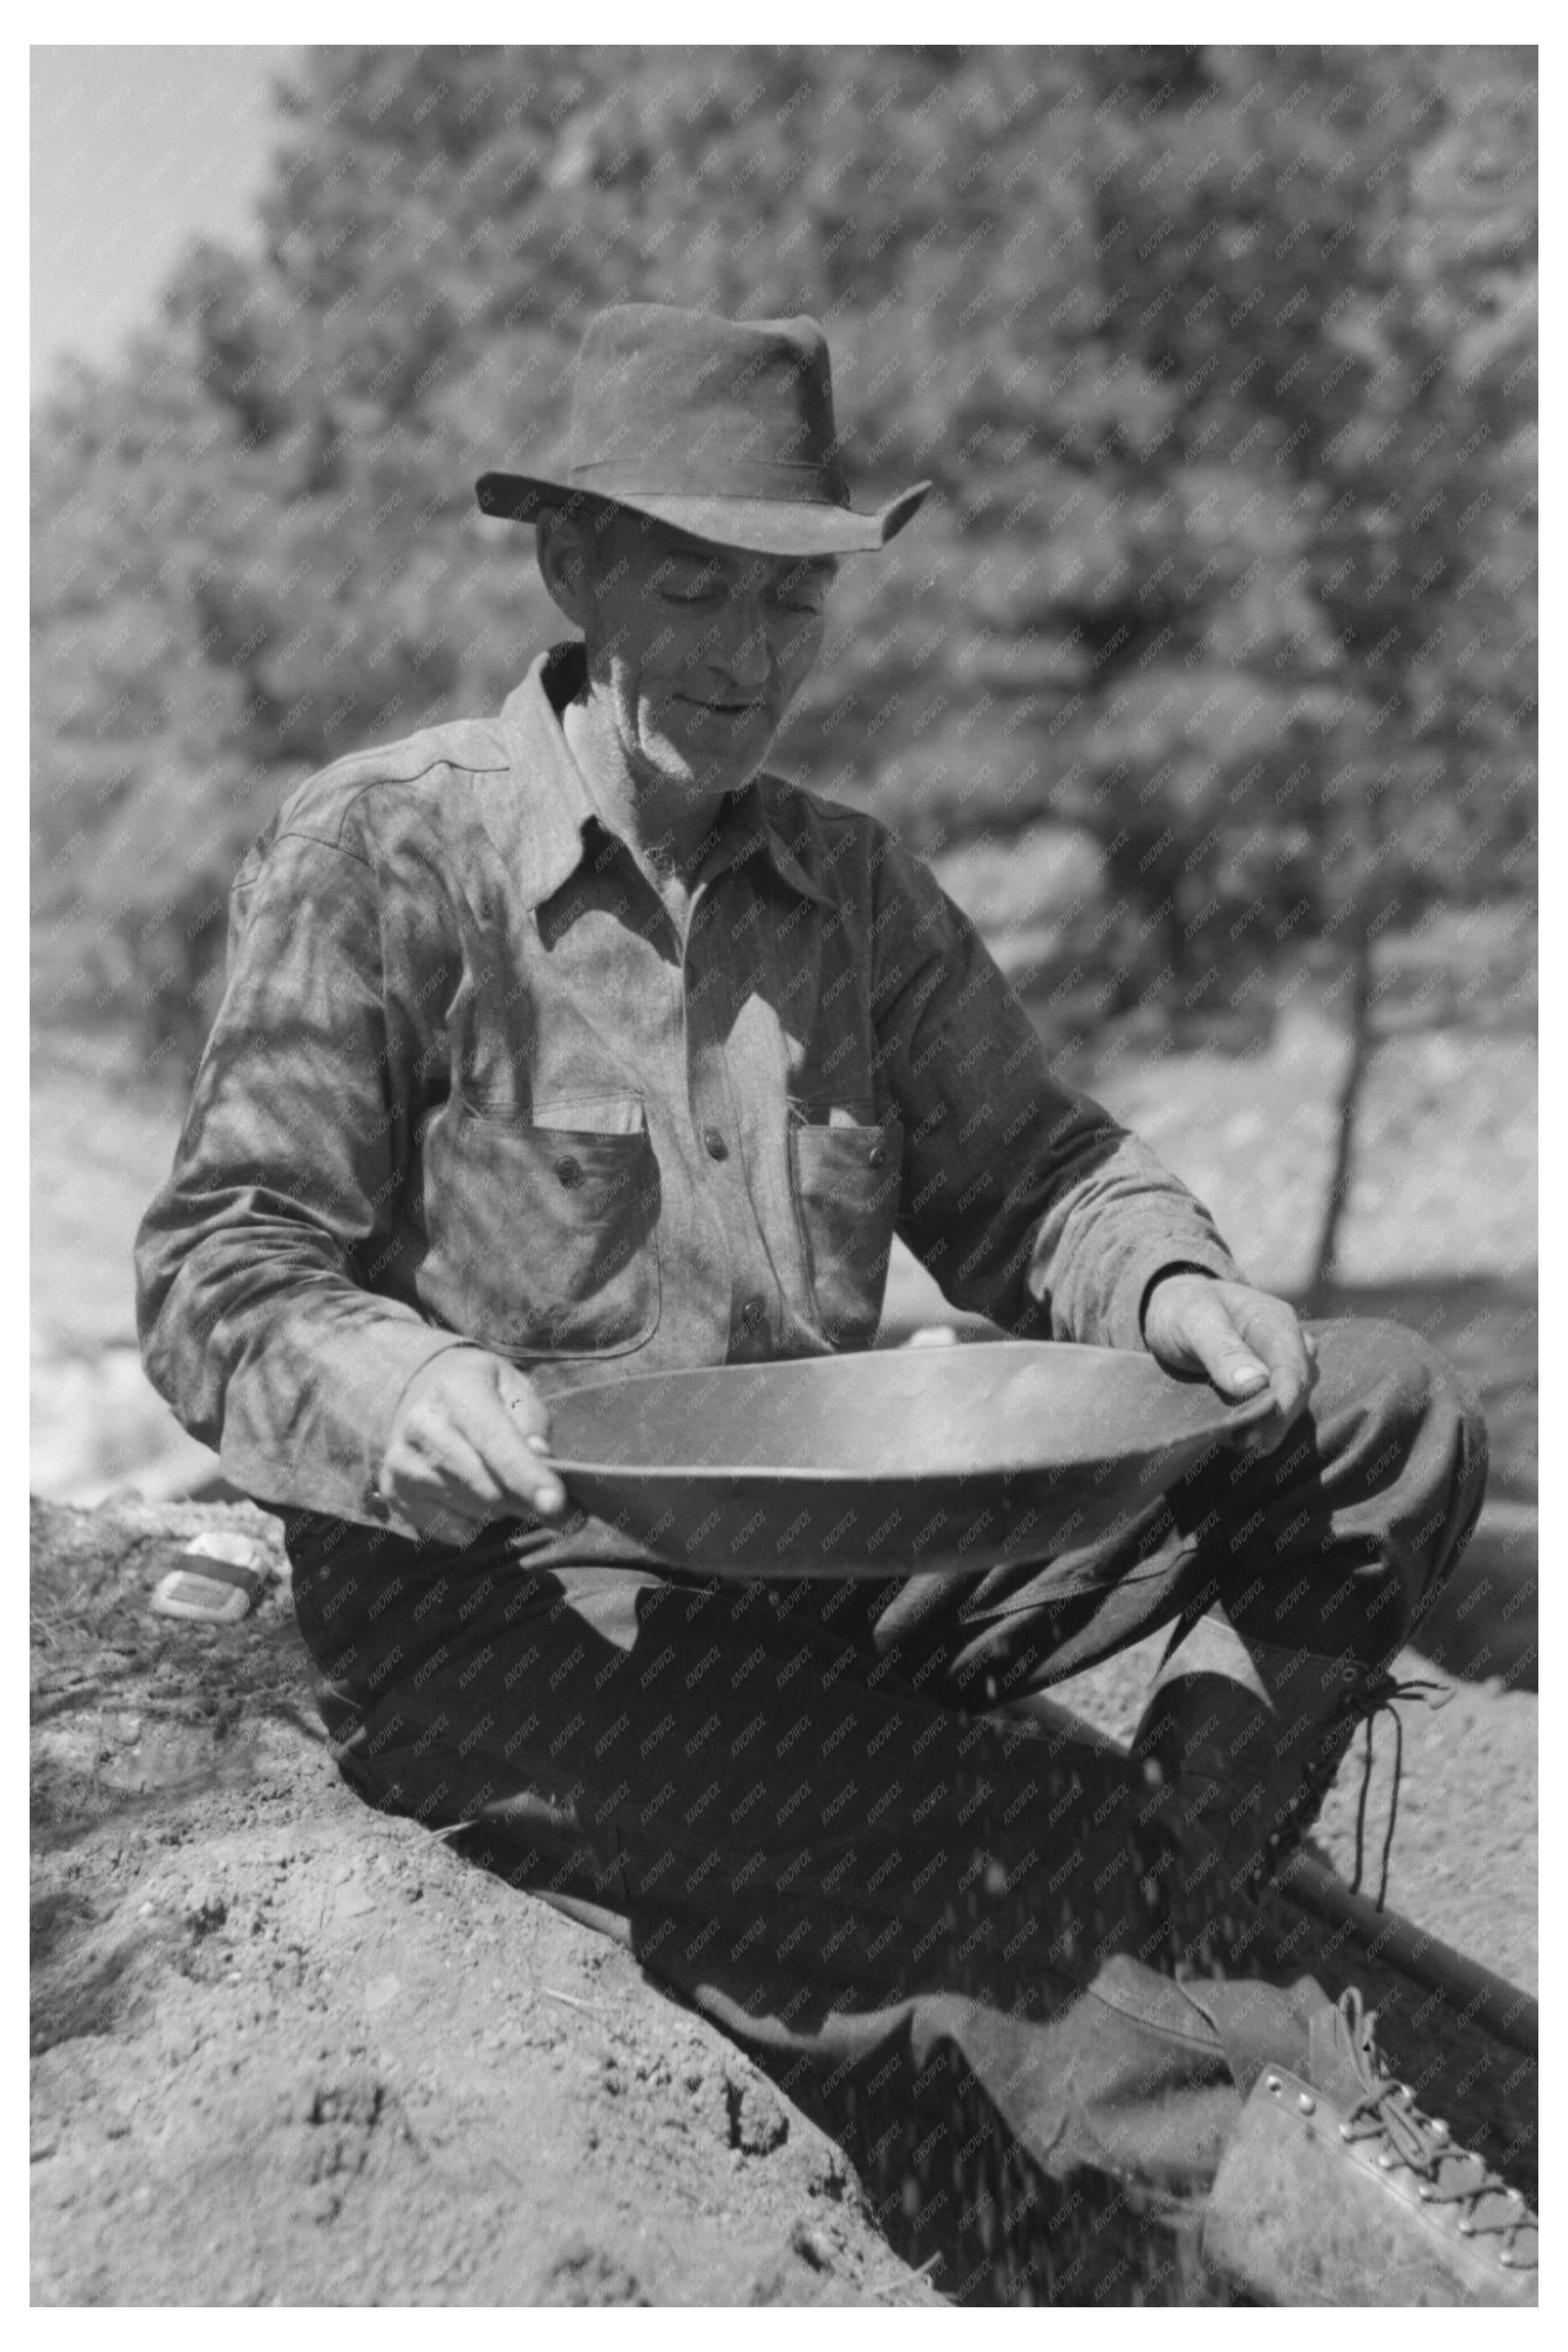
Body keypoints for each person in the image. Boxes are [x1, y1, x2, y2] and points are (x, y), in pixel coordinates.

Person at [137, 302, 1534, 2305]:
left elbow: (1041, 1173)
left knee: (1372, 1411)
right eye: (696, 588)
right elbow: (218, 1260)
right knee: (1010, 1940)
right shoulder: (386, 853)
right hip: (528, 1616)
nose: (749, 650)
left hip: (818, 1565)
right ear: (572, 569)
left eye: (791, 597)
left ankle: (1178, 1877)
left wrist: (1165, 1279)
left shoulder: (848, 889)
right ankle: (1251, 2188)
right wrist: (397, 1381)